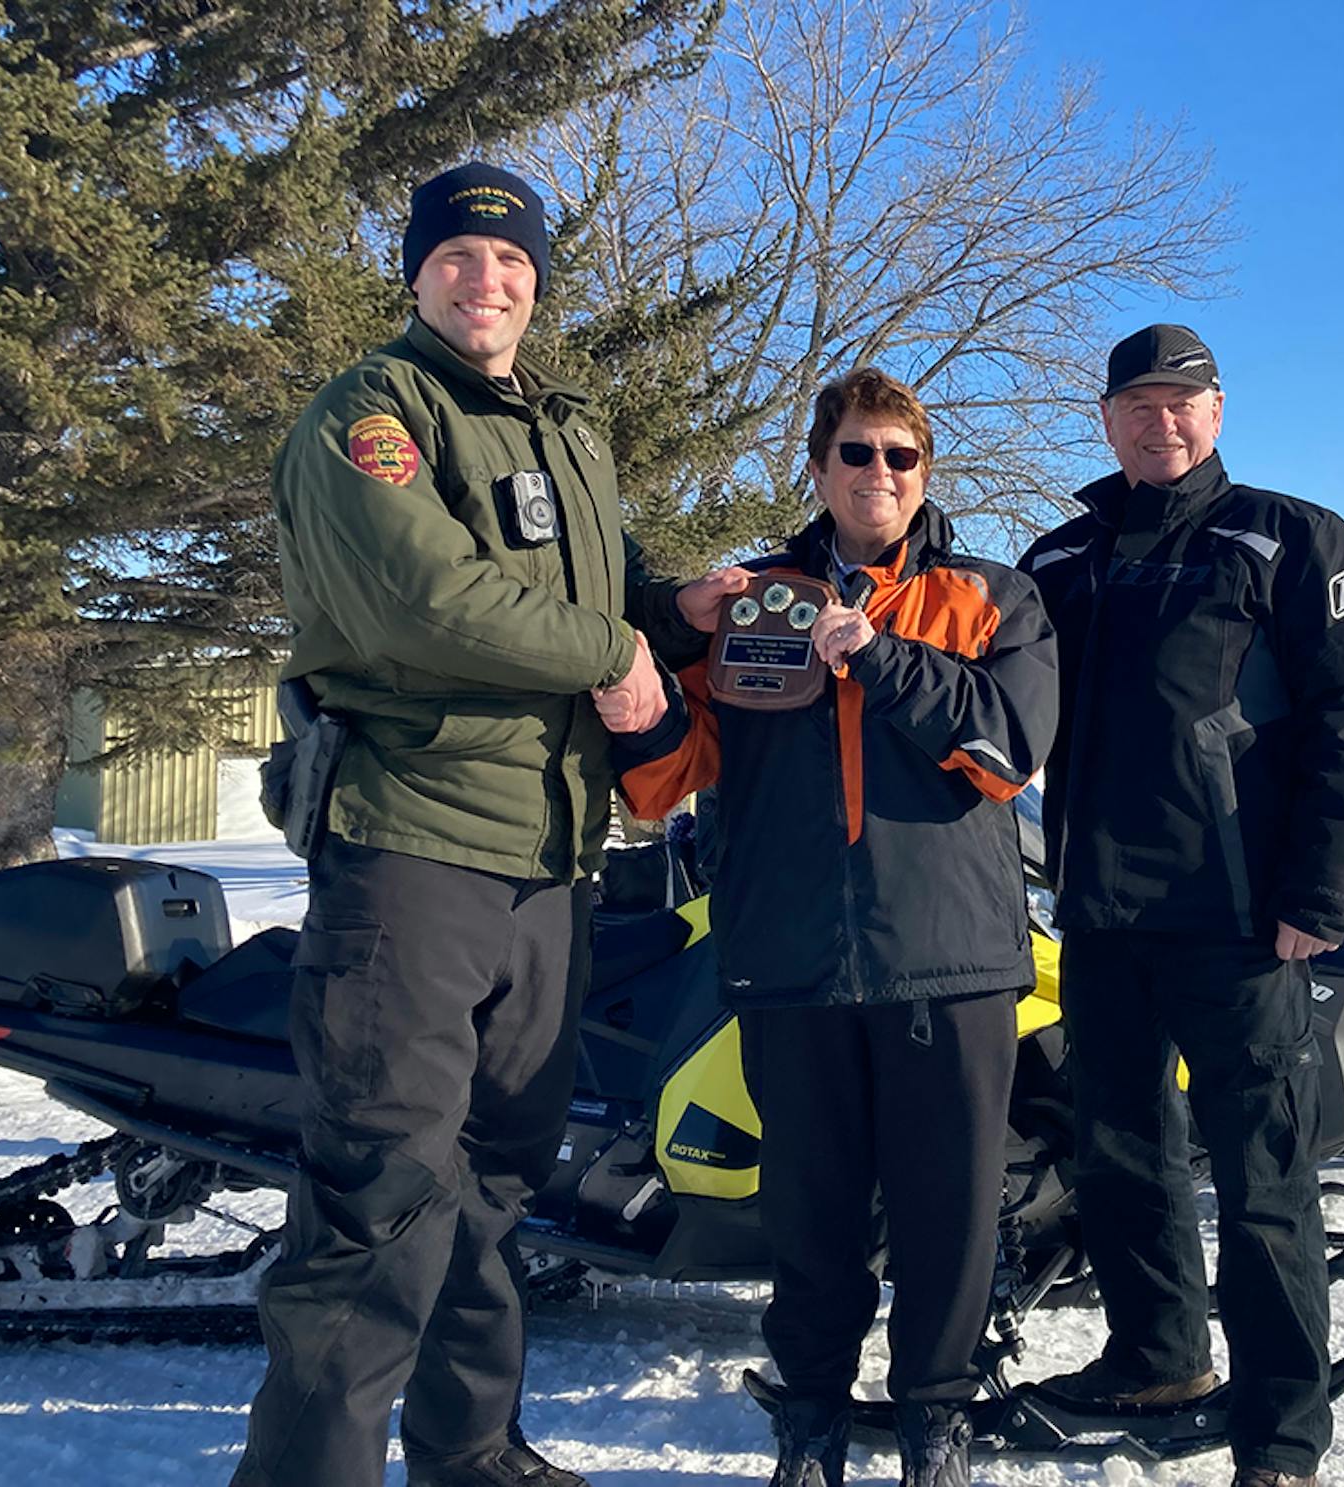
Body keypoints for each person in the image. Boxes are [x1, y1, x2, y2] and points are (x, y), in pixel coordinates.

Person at [233, 162, 728, 1487]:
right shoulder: (374, 414)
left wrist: (681, 610)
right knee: (381, 1196)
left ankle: (469, 1449)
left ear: (538, 283)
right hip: (415, 852)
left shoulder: (563, 429)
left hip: (550, 863)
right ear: (416, 271)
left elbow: (597, 584)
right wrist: (617, 653)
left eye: (512, 262)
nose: (486, 279)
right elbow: (422, 599)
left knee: (494, 1183)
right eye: (459, 255)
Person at [605, 369, 1059, 1487]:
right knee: (809, 1213)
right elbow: (673, 776)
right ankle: (808, 1414)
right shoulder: (749, 600)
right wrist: (634, 696)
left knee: (947, 1213)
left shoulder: (993, 596)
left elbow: (1010, 748)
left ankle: (933, 1419)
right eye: (855, 453)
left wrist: (881, 657)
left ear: (925, 475)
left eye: (900, 456)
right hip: (789, 956)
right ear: (818, 468)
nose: (878, 475)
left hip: (947, 961)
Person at [1018, 326, 1344, 1487]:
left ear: (1219, 411)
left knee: (1264, 1180)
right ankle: (1156, 1353)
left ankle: (1283, 1434)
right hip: (1101, 916)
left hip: (1241, 922)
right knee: (1121, 1152)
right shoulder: (1062, 557)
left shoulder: (1292, 539)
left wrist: (1318, 890)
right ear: (1106, 420)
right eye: (1136, 402)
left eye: (1182, 401)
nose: (1160, 421)